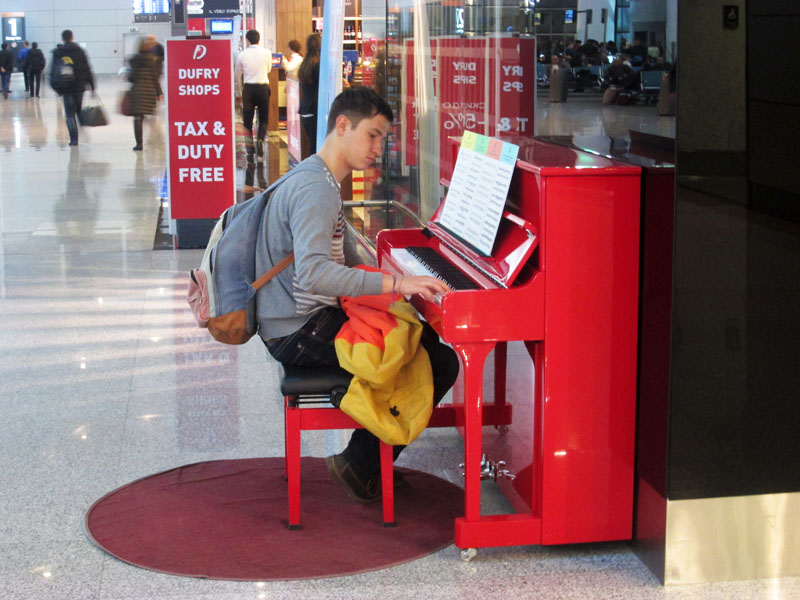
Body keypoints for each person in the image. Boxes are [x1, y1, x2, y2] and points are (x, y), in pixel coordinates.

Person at [256, 87, 459, 503]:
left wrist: (400, 280)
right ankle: (360, 464)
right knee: (435, 359)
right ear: (343, 125)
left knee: (416, 337)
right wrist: (398, 285)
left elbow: (347, 262)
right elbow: (315, 274)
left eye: (383, 138)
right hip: (297, 330)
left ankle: (366, 458)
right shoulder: (316, 188)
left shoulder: (318, 177)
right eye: (373, 135)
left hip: (298, 318)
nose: (378, 149)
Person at [51, 30, 96, 146]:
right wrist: (92, 86)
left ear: (63, 38)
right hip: (79, 86)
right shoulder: (80, 51)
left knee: (69, 114)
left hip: (66, 87)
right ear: (72, 37)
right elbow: (87, 69)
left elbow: (53, 72)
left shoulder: (58, 52)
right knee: (78, 109)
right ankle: (82, 125)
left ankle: (74, 140)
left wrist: (56, 88)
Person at [234, 29, 272, 162]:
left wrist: (238, 92)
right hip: (263, 88)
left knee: (247, 120)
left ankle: (250, 149)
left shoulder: (242, 55)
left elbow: (237, 76)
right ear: (259, 39)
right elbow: (269, 69)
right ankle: (260, 139)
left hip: (248, 89)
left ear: (247, 40)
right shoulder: (267, 53)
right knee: (264, 118)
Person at [128, 36, 163, 151]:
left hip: (138, 92)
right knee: (151, 116)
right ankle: (156, 139)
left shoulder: (134, 60)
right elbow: (155, 78)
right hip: (149, 92)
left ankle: (139, 144)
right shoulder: (152, 60)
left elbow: (131, 78)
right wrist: (159, 92)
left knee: (138, 118)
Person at [297, 33, 321, 154]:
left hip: (306, 110)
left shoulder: (304, 65)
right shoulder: (317, 66)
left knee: (313, 145)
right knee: (316, 148)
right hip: (314, 109)